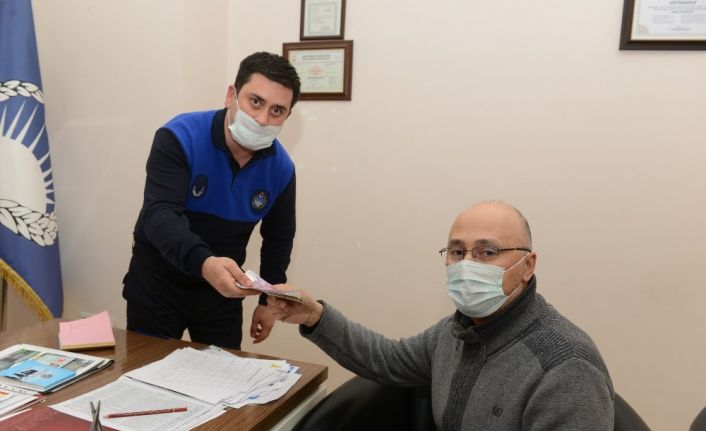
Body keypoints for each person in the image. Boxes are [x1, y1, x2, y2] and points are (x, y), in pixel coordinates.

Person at [267, 201, 614, 430]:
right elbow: (386, 359)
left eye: (487, 252)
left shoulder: (567, 368)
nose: (468, 265)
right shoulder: (457, 331)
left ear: (528, 265)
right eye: (458, 252)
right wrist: (314, 315)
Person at [122, 51, 301, 350]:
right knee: (148, 371)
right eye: (255, 102)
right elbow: (160, 214)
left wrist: (268, 301)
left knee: (225, 373)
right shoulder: (180, 136)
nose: (262, 119)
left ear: (287, 116)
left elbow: (279, 239)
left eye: (277, 111)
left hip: (223, 292)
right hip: (158, 283)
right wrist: (204, 263)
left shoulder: (281, 168)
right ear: (231, 95)